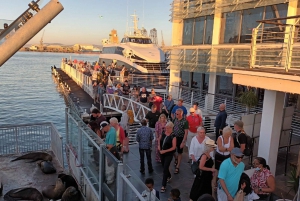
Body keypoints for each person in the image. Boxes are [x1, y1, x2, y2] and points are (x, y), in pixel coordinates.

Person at [158, 122, 177, 193]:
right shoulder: (163, 132)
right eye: (166, 128)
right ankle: (169, 175)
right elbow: (159, 140)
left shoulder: (173, 136)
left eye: (168, 128)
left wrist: (165, 151)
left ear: (171, 128)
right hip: (162, 153)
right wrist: (159, 146)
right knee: (164, 166)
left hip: (168, 154)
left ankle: (163, 185)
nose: (166, 129)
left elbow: (174, 147)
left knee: (165, 168)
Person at [173, 108, 189, 174]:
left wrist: (183, 141)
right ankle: (176, 157)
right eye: (175, 113)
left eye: (177, 114)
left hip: (180, 138)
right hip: (174, 137)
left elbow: (186, 132)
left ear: (181, 114)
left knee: (179, 152)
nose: (176, 115)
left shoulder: (185, 122)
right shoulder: (175, 119)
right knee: (173, 150)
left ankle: (178, 166)